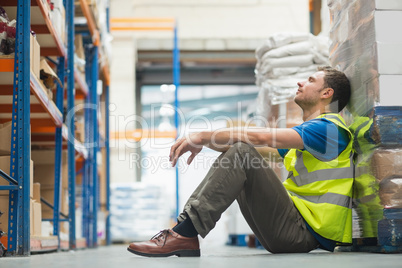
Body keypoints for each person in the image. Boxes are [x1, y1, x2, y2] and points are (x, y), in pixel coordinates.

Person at [127, 66, 353, 257]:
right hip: (292, 229)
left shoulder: (329, 130)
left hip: (302, 232)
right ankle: (184, 233)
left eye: (311, 80)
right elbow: (248, 149)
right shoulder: (312, 135)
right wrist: (206, 143)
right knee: (241, 151)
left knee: (242, 150)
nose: (301, 82)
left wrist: (202, 135)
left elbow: (259, 138)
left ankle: (185, 233)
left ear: (326, 93)